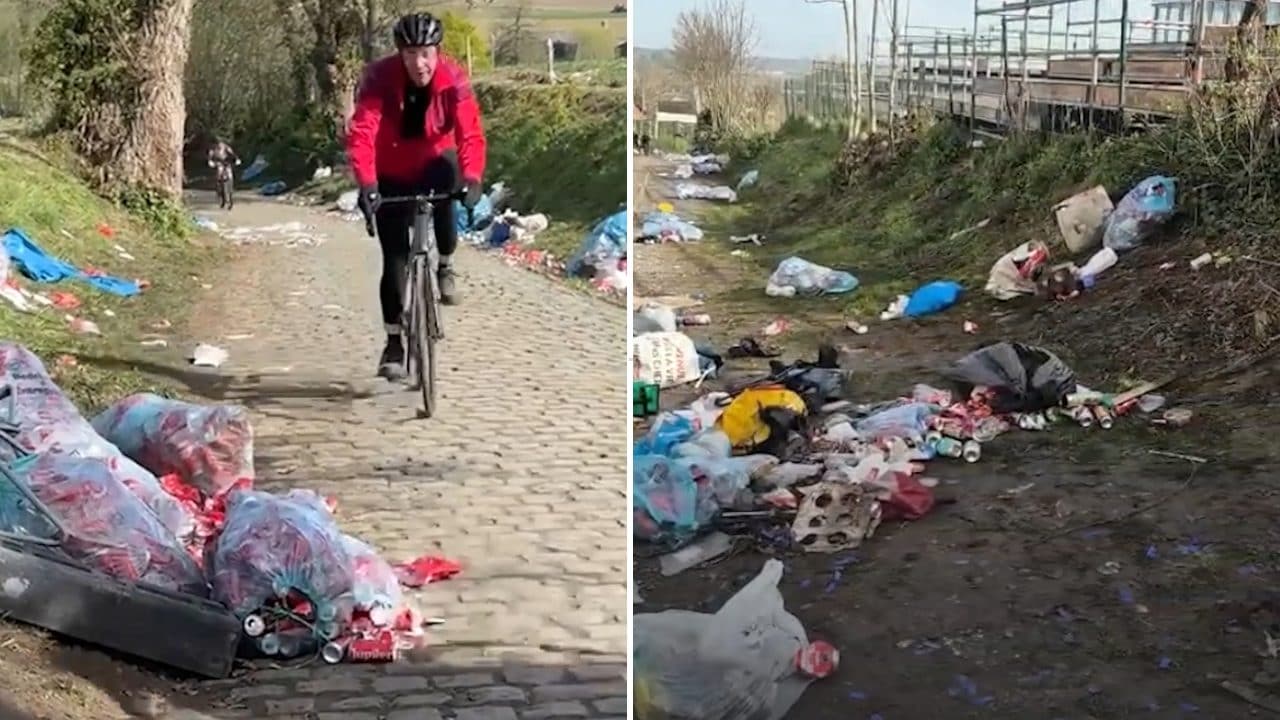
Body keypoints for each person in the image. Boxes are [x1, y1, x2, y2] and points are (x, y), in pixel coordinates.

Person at [346, 12, 487, 380]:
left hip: (435, 161)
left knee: (446, 195)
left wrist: (472, 178)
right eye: (410, 54)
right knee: (394, 260)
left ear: (437, 52)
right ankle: (393, 342)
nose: (419, 63)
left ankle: (445, 264)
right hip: (391, 169)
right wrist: (367, 183)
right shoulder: (378, 78)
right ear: (400, 54)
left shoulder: (453, 78)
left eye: (426, 53)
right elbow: (362, 131)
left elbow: (469, 133)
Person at [207, 138, 241, 209]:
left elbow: (233, 154)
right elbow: (210, 157)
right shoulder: (213, 149)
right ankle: (220, 193)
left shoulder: (227, 148)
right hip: (218, 164)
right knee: (219, 175)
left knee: (230, 176)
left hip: (227, 163)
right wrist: (210, 162)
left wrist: (237, 159)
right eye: (219, 144)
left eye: (221, 143)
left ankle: (231, 198)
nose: (220, 145)